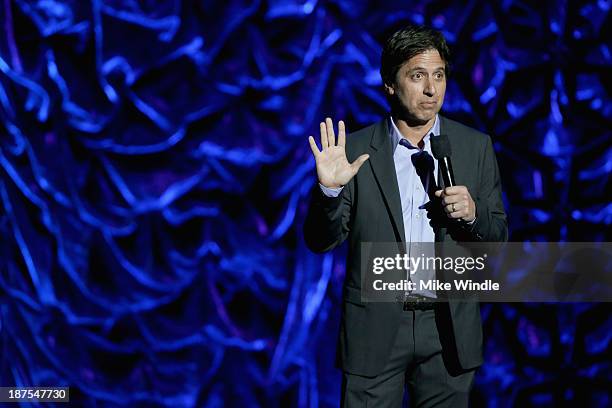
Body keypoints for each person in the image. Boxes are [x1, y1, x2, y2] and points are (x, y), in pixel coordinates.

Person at [304, 24, 507, 407]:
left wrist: (474, 216)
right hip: (376, 329)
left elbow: (497, 239)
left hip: (448, 331)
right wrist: (330, 191)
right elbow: (321, 240)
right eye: (417, 76)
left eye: (439, 75)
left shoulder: (474, 146)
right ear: (389, 85)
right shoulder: (357, 149)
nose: (432, 90)